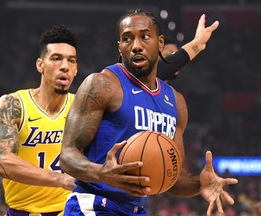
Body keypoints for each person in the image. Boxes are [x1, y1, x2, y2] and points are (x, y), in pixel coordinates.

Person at [60, 8, 238, 216]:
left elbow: (172, 178)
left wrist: (199, 184)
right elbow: (67, 156)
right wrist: (101, 173)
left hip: (135, 210)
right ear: (120, 46)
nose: (136, 46)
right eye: (127, 39)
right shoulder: (102, 84)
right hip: (93, 205)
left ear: (160, 43)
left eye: (145, 37)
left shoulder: (176, 103)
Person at [0, 24, 78, 216]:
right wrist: (60, 179)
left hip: (68, 210)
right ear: (40, 65)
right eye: (56, 59)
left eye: (71, 61)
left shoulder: (81, 108)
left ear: (76, 70)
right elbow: (3, 162)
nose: (64, 66)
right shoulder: (13, 104)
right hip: (22, 210)